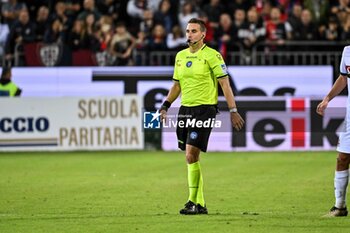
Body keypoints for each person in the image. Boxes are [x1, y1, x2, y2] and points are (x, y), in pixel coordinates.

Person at [160, 18, 245, 215]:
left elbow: (225, 85)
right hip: (185, 109)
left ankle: (191, 201)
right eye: (188, 31)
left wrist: (233, 111)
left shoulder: (212, 56)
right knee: (191, 157)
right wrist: (165, 105)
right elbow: (176, 86)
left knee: (191, 154)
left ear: (203, 34)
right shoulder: (180, 56)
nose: (189, 34)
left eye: (194, 31)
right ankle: (200, 204)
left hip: (204, 109)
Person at [316, 45, 350, 217]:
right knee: (342, 158)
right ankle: (340, 206)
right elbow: (343, 78)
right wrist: (327, 98)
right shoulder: (347, 51)